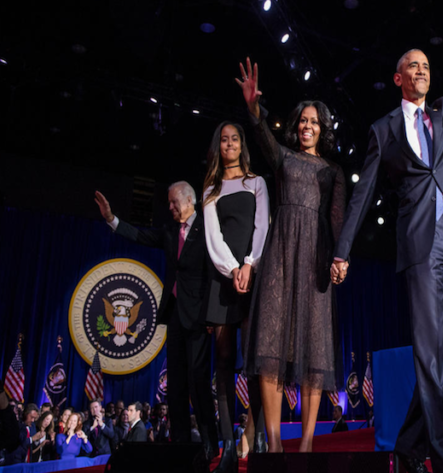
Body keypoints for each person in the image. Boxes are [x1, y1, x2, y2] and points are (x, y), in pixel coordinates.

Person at [332, 0, 443, 473]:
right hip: (418, 246)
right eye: (414, 66)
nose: (423, 70)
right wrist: (343, 250)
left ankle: (407, 449)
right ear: (398, 78)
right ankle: (442, 455)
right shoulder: (383, 131)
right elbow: (363, 195)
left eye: (427, 65)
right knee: (429, 352)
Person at [237, 59, 346, 453]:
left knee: (315, 349)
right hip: (280, 258)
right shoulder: (283, 158)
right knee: (270, 344)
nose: (307, 126)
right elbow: (263, 137)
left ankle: (306, 447)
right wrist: (253, 109)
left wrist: (341, 259)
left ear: (323, 128)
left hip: (315, 261)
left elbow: (338, 221)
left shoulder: (333, 170)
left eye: (314, 122)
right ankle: (276, 445)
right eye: (303, 120)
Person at [95, 183, 219, 459]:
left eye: (175, 203)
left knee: (198, 383)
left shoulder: (208, 228)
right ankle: (182, 445)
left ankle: (210, 443)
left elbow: (213, 274)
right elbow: (140, 235)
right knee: (175, 385)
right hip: (174, 315)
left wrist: (212, 315)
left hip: (199, 318)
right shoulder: (170, 231)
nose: (171, 208)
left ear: (190, 200)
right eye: (169, 204)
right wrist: (111, 220)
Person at [202, 120, 270, 470]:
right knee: (224, 362)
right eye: (223, 139)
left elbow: (262, 227)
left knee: (255, 361)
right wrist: (232, 269)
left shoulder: (256, 182)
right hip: (222, 281)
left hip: (252, 276)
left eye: (234, 139)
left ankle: (255, 433)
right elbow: (213, 236)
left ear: (242, 145)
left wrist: (250, 265)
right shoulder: (211, 188)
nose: (229, 144)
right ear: (218, 147)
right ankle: (228, 445)